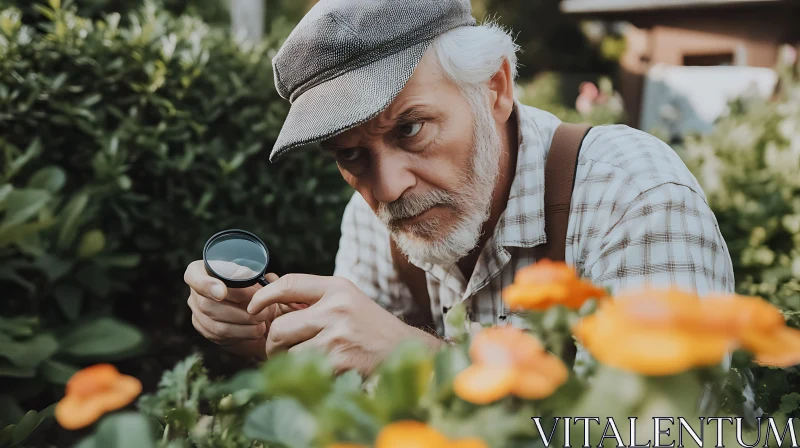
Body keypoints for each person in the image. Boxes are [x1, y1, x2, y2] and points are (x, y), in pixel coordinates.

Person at [184, 0, 735, 376]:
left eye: (411, 128)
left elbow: (660, 428)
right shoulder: (371, 221)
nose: (389, 187)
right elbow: (362, 410)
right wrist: (283, 346)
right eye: (350, 154)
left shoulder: (630, 195)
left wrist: (420, 363)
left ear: (495, 86)